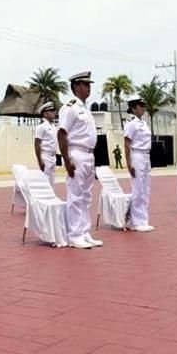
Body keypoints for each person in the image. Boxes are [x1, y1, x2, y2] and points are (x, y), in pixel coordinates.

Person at [57, 71, 103, 249]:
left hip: (89, 155)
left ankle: (84, 231)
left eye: (89, 84)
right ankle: (74, 234)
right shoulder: (71, 108)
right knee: (75, 196)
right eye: (85, 84)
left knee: (86, 196)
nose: (88, 87)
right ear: (76, 86)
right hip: (76, 153)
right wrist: (67, 160)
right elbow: (62, 133)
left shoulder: (85, 108)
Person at [123, 97, 154, 232]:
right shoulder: (131, 124)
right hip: (137, 155)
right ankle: (136, 221)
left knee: (145, 189)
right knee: (138, 189)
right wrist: (129, 164)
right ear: (134, 108)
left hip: (146, 155)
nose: (143, 107)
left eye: (143, 105)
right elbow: (127, 144)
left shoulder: (144, 123)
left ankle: (143, 219)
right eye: (140, 105)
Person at [34, 101, 58, 185]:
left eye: (54, 110)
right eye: (51, 111)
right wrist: (40, 160)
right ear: (45, 114)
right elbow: (37, 144)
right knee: (45, 182)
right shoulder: (41, 127)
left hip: (53, 157)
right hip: (45, 156)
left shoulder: (53, 126)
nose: (54, 113)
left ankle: (51, 198)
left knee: (52, 182)